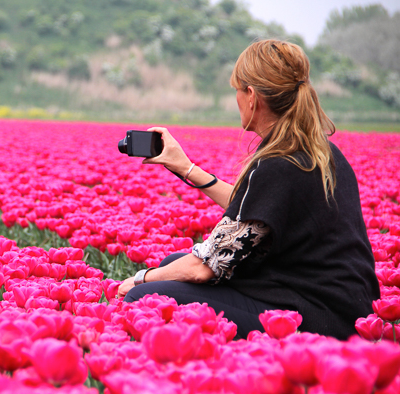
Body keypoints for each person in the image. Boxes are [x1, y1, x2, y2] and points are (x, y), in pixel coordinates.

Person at [117, 39, 379, 340]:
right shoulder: (321, 152)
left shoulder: (279, 164)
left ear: (252, 96)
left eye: (237, 91)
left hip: (316, 315)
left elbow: (204, 268)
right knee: (170, 266)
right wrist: (186, 167)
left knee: (147, 298)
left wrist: (139, 279)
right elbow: (263, 209)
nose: (237, 100)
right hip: (344, 306)